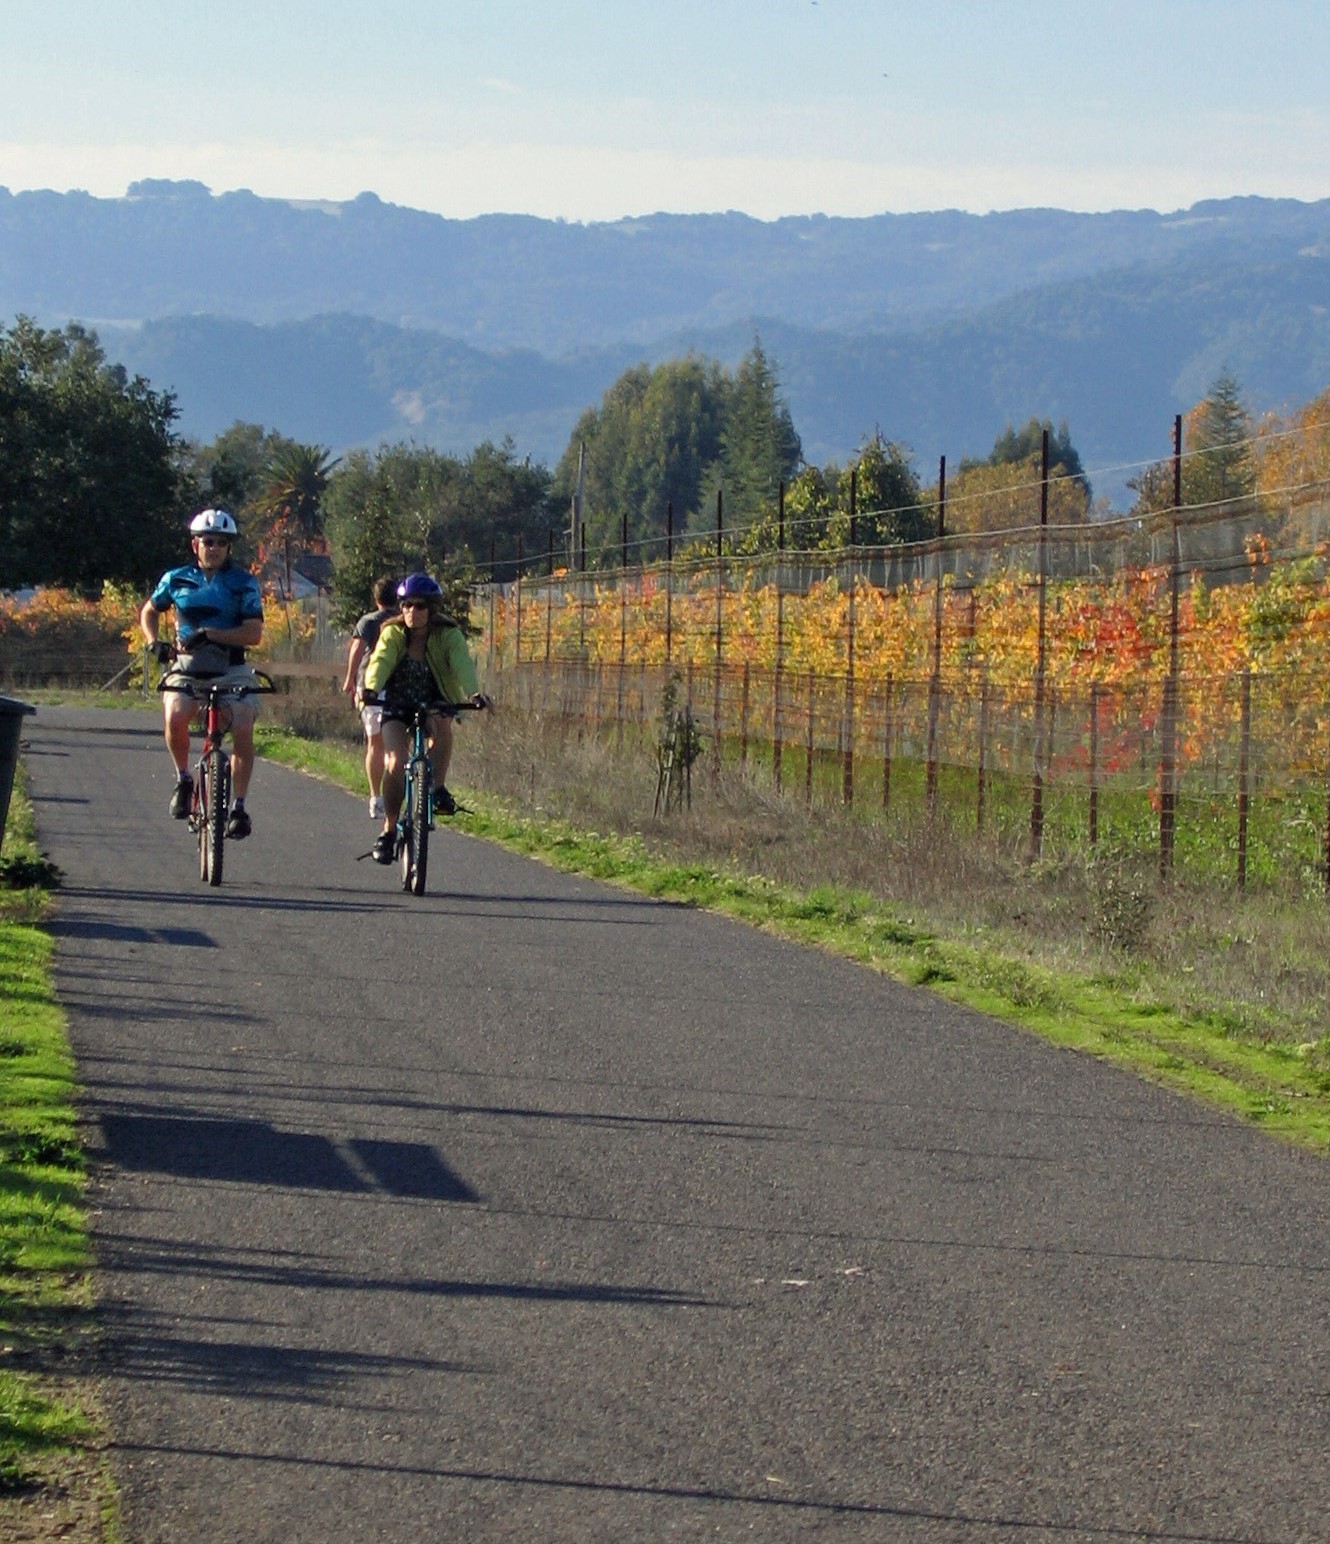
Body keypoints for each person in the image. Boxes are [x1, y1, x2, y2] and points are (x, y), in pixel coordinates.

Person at [140, 508, 265, 839]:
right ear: (195, 544)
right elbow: (150, 610)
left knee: (242, 722)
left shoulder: (243, 583)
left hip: (232, 668)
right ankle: (183, 778)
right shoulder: (176, 578)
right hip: (188, 666)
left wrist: (210, 633)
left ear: (229, 548)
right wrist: (155, 642)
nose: (214, 548)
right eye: (208, 541)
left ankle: (238, 806)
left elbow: (253, 633)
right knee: (175, 714)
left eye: (221, 543)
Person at [362, 572, 489, 864]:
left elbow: (461, 664)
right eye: (406, 605)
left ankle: (437, 787)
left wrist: (473, 693)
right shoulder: (393, 633)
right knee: (394, 761)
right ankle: (389, 829)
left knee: (442, 728)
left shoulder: (448, 634)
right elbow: (380, 660)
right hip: (397, 704)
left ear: (432, 609)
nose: (411, 612)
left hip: (434, 701)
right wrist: (371, 688)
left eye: (419, 606)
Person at [340, 576, 397, 819]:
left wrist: (350, 679)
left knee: (375, 741)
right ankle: (396, 791)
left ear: (376, 599)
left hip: (371, 686)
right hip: (396, 684)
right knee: (396, 743)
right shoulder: (403, 622)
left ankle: (376, 797)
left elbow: (357, 650)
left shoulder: (369, 621)